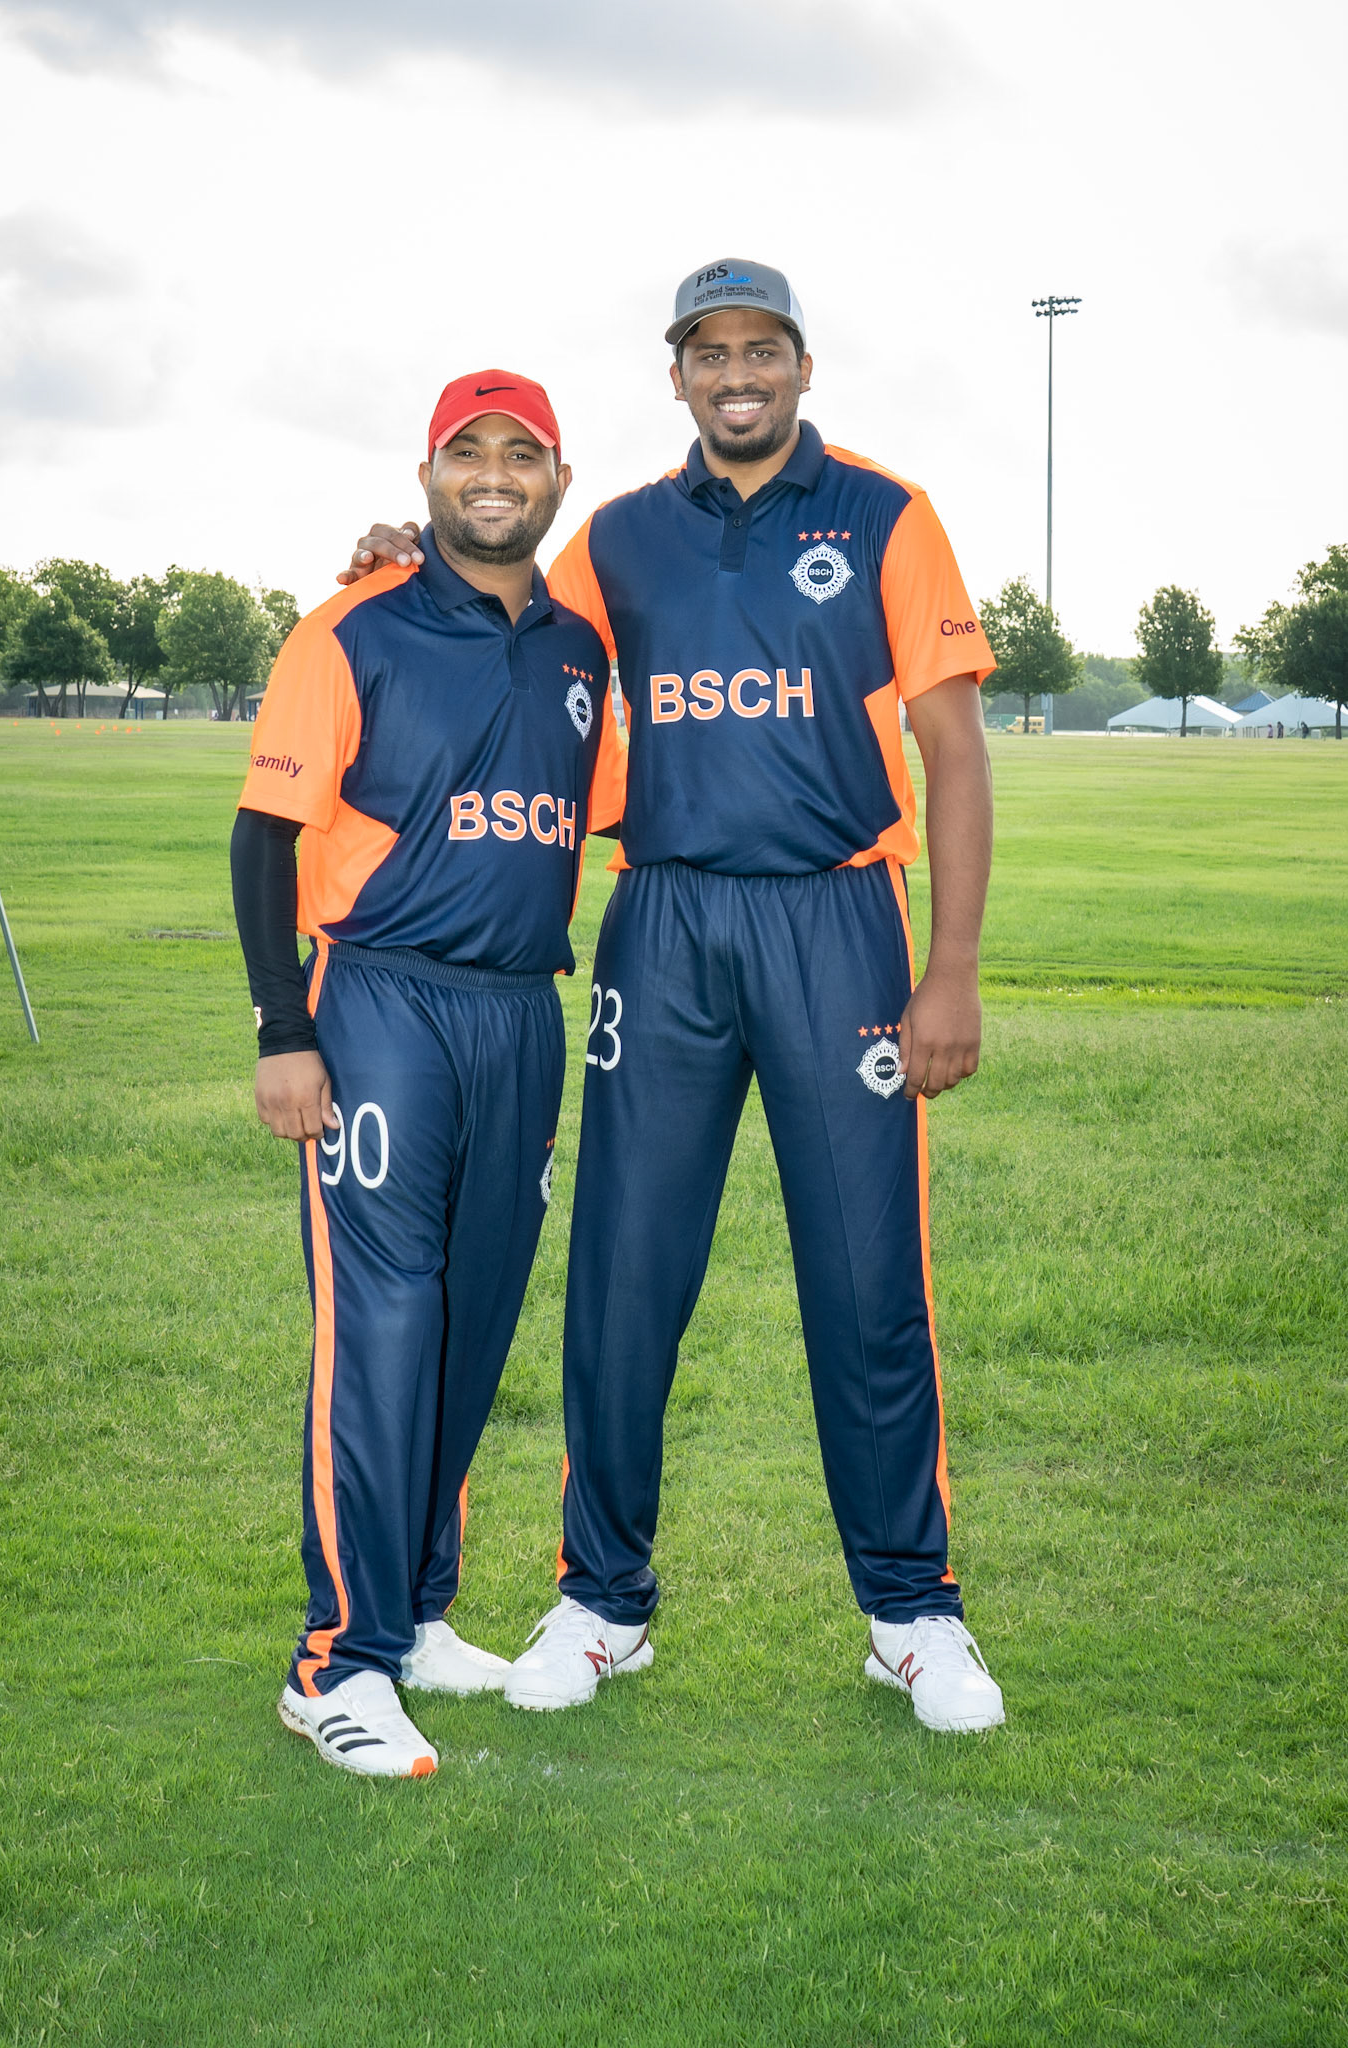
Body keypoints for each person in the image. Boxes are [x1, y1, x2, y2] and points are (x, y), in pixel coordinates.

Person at [342, 260, 1005, 1735]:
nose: (736, 374)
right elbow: (496, 609)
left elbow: (954, 749)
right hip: (665, 922)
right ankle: (603, 1600)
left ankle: (910, 1611)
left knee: (867, 1281)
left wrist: (950, 970)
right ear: (678, 377)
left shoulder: (888, 515)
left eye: (761, 350)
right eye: (710, 353)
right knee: (624, 1276)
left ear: (802, 367)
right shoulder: (622, 536)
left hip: (839, 919)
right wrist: (402, 557)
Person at [233, 371, 622, 1776]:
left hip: (520, 1011)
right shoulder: (352, 626)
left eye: (523, 453)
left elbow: (612, 811)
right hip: (381, 1000)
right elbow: (265, 834)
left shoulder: (581, 652)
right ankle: (336, 1662)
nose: (495, 475)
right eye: (470, 452)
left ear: (558, 481)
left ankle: (417, 1614)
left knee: (469, 1319)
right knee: (386, 1324)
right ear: (427, 475)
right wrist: (284, 1029)